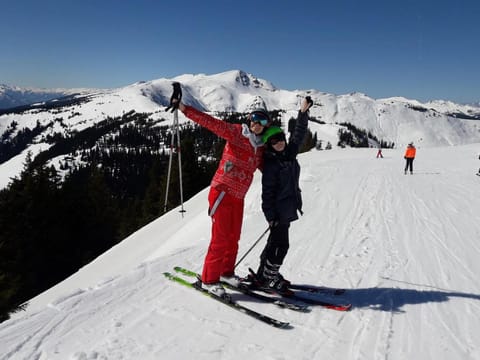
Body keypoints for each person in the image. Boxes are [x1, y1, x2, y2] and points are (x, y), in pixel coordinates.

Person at [167, 82, 271, 297]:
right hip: (222, 192)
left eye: (263, 120)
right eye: (255, 119)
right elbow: (210, 123)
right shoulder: (236, 133)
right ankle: (209, 279)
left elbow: (270, 170)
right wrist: (184, 108)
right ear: (249, 120)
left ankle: (225, 273)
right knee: (221, 238)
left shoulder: (260, 148)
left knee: (234, 237)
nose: (257, 124)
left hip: (238, 197)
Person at [253, 97, 313, 295]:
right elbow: (266, 195)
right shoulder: (271, 166)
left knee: (274, 243)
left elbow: (299, 133)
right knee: (281, 246)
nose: (279, 143)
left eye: (280, 139)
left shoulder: (289, 153)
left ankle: (265, 274)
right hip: (278, 213)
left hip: (288, 209)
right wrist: (271, 217)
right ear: (268, 145)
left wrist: (303, 113)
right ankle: (269, 278)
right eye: (273, 142)